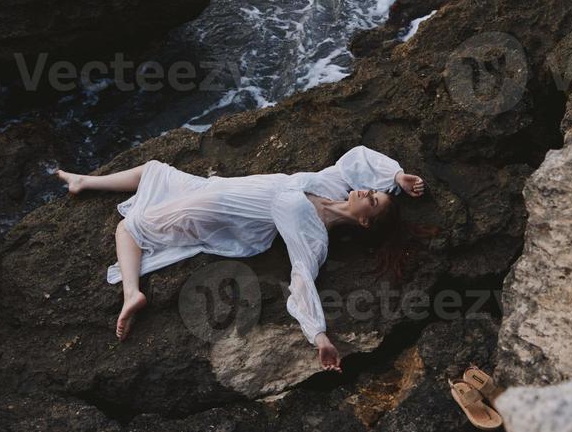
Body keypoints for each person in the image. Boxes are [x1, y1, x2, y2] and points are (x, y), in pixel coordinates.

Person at [55, 146, 426, 370]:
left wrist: (320, 337)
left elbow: (302, 279)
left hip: (214, 209)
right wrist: (396, 177)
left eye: (374, 199)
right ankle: (84, 182)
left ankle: (132, 293)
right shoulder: (333, 184)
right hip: (220, 188)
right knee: (155, 171)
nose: (368, 192)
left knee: (130, 229)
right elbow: (357, 160)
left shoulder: (313, 236)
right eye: (376, 192)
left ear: (364, 221)